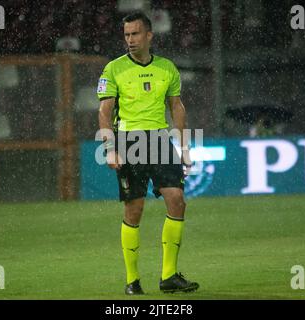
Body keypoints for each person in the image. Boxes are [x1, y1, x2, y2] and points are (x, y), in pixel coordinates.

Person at [97, 11, 199, 295]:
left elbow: (176, 107)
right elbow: (105, 111)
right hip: (129, 142)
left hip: (159, 140)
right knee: (134, 209)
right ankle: (132, 280)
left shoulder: (167, 68)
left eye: (135, 34)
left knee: (177, 201)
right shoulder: (113, 69)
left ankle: (169, 276)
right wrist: (109, 148)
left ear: (149, 35)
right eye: (126, 34)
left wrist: (184, 147)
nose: (130, 39)